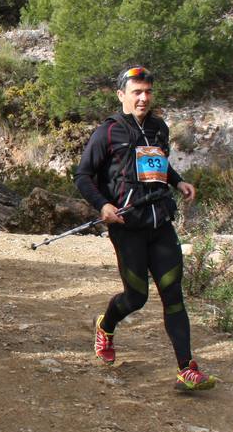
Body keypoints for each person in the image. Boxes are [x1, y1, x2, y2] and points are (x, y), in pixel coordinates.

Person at [74, 65, 217, 391]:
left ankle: (186, 369)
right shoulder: (108, 132)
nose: (143, 98)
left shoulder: (158, 127)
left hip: (160, 222)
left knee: (173, 293)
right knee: (136, 297)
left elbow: (158, 163)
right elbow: (82, 176)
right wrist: (103, 205)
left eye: (148, 92)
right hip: (128, 226)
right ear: (121, 95)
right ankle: (106, 325)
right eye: (136, 92)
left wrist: (178, 181)